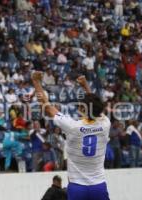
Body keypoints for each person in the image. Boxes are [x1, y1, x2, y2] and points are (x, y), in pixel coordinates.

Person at [32, 72, 110, 200]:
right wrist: (85, 85)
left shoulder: (73, 126)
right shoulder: (105, 124)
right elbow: (97, 107)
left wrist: (36, 82)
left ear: (84, 109)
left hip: (77, 187)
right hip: (98, 186)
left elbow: (47, 107)